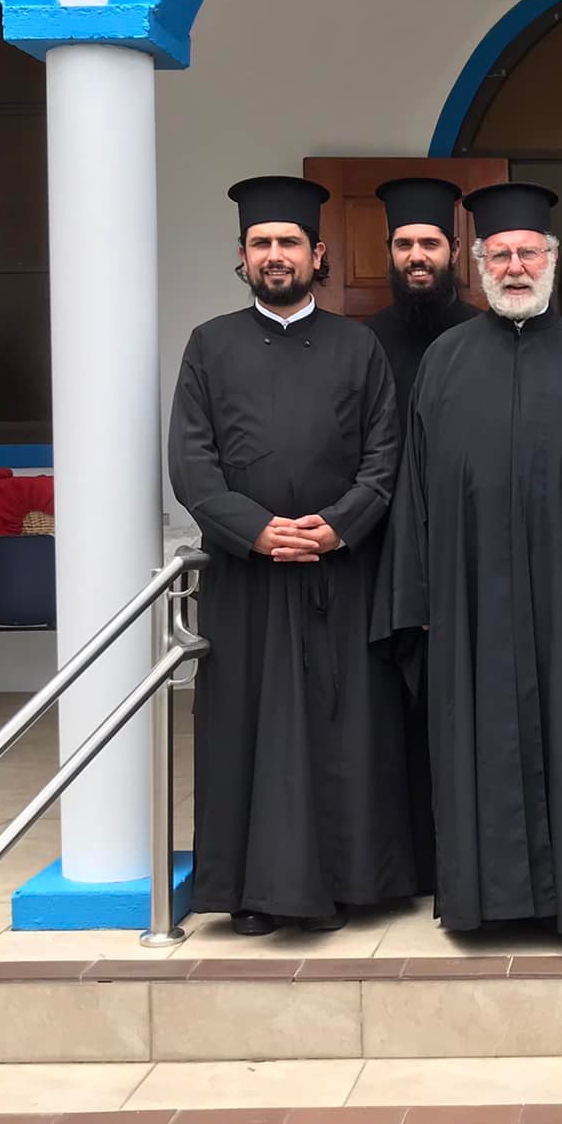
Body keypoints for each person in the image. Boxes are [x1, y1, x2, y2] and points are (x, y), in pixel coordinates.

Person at [378, 180, 562, 939]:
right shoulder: (444, 362)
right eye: (501, 253)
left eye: (529, 252)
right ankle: (475, 904)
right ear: (479, 263)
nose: (516, 265)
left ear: (550, 260)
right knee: (470, 753)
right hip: (468, 611)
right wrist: (417, 605)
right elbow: (415, 495)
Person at [168, 174, 420, 936]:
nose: (275, 255)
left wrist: (339, 524)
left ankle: (351, 883)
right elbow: (191, 461)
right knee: (251, 735)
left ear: (319, 254)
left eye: (289, 243)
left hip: (340, 576)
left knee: (345, 732)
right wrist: (254, 528)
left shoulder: (360, 345)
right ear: (242, 258)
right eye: (260, 244)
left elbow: (387, 452)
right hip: (247, 579)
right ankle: (256, 889)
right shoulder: (209, 345)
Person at [363, 176, 480, 422]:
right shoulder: (367, 340)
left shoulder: (486, 335)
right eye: (404, 244)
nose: (416, 256)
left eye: (430, 244)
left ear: (455, 250)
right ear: (390, 252)